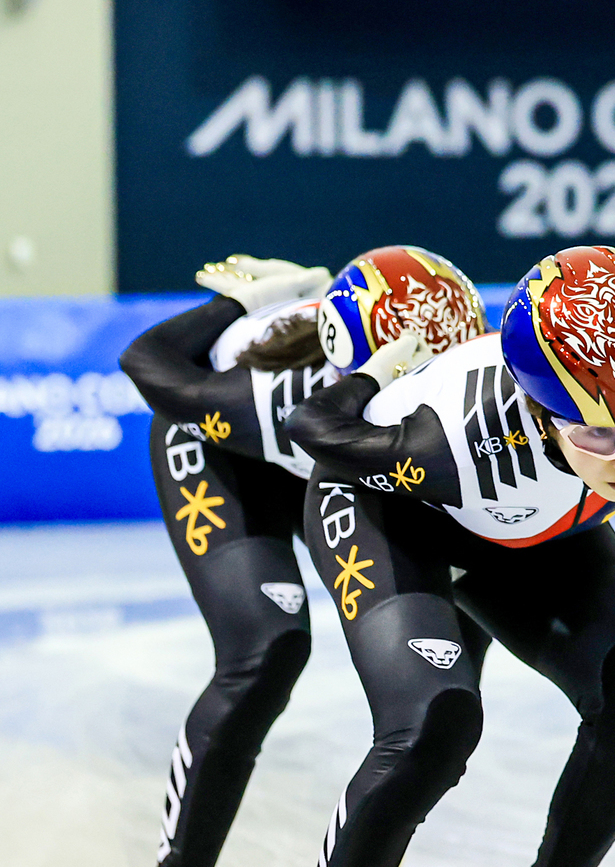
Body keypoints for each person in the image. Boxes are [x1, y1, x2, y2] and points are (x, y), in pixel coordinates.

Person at [285, 244, 615, 867]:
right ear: (542, 414)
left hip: (525, 524)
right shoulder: (448, 442)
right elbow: (314, 428)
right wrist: (375, 374)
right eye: (596, 431)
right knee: (435, 727)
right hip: (394, 510)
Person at [120, 246, 487, 867]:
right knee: (267, 651)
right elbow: (144, 361)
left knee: (437, 707)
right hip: (223, 445)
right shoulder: (280, 394)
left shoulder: (455, 400)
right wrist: (241, 305)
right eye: (414, 382)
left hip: (337, 458)